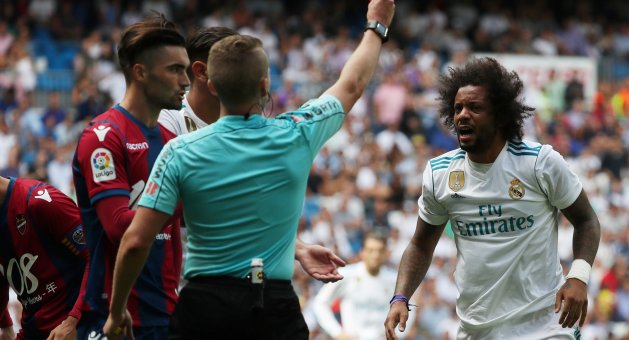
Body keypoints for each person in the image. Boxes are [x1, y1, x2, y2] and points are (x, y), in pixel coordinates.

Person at [103, 0, 396, 338]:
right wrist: (377, 25)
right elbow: (352, 83)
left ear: (213, 85)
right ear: (264, 85)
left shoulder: (178, 151)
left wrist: (116, 310)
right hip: (272, 304)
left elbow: (136, 240)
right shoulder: (297, 133)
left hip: (202, 307)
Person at [384, 57, 601, 340]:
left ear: (499, 115)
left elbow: (586, 221)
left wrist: (578, 276)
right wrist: (400, 297)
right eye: (458, 108)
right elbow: (421, 245)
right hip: (478, 329)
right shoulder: (440, 174)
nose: (462, 115)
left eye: (475, 107)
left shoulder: (539, 163)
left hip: (545, 324)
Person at [159, 26, 347, 282]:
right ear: (203, 72)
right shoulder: (168, 122)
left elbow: (241, 202)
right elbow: (169, 210)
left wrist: (298, 246)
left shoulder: (248, 128)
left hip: (242, 286)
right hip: (180, 283)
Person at [71, 14, 189, 339]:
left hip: (165, 313)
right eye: (175, 70)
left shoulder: (170, 138)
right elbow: (120, 227)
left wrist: (295, 245)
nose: (185, 81)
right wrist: (185, 198)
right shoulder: (104, 137)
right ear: (140, 72)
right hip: (114, 320)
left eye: (187, 69)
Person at [0, 176, 88, 340]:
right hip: (34, 330)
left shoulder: (39, 201)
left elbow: (98, 259)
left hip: (76, 326)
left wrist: (74, 320)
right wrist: (5, 325)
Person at [313, 230, 414, 340]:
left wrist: (397, 335)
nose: (375, 255)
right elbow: (320, 303)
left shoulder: (394, 280)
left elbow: (409, 308)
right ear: (362, 252)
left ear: (386, 253)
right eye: (370, 250)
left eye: (380, 250)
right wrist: (337, 333)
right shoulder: (346, 275)